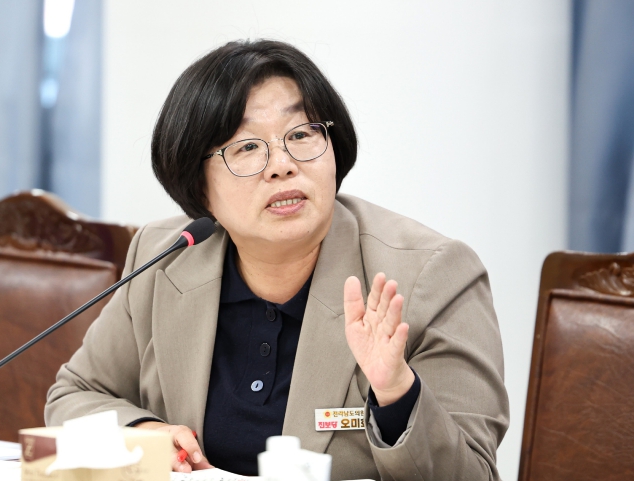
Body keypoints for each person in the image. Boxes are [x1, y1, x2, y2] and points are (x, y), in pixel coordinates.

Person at [45, 39, 509, 480]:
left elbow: (474, 474)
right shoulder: (164, 257)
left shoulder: (433, 275)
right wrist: (143, 433)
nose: (282, 164)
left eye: (301, 134)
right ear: (197, 185)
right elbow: (75, 396)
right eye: (247, 147)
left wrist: (396, 396)